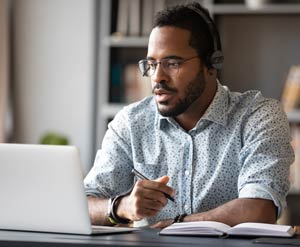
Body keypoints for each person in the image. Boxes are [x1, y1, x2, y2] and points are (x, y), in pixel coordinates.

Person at [84, 2, 294, 229]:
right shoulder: (131, 123)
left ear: (212, 64)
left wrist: (177, 224)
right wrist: (120, 206)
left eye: (172, 63)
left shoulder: (258, 117)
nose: (157, 77)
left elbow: (258, 210)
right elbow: (83, 205)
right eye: (152, 64)